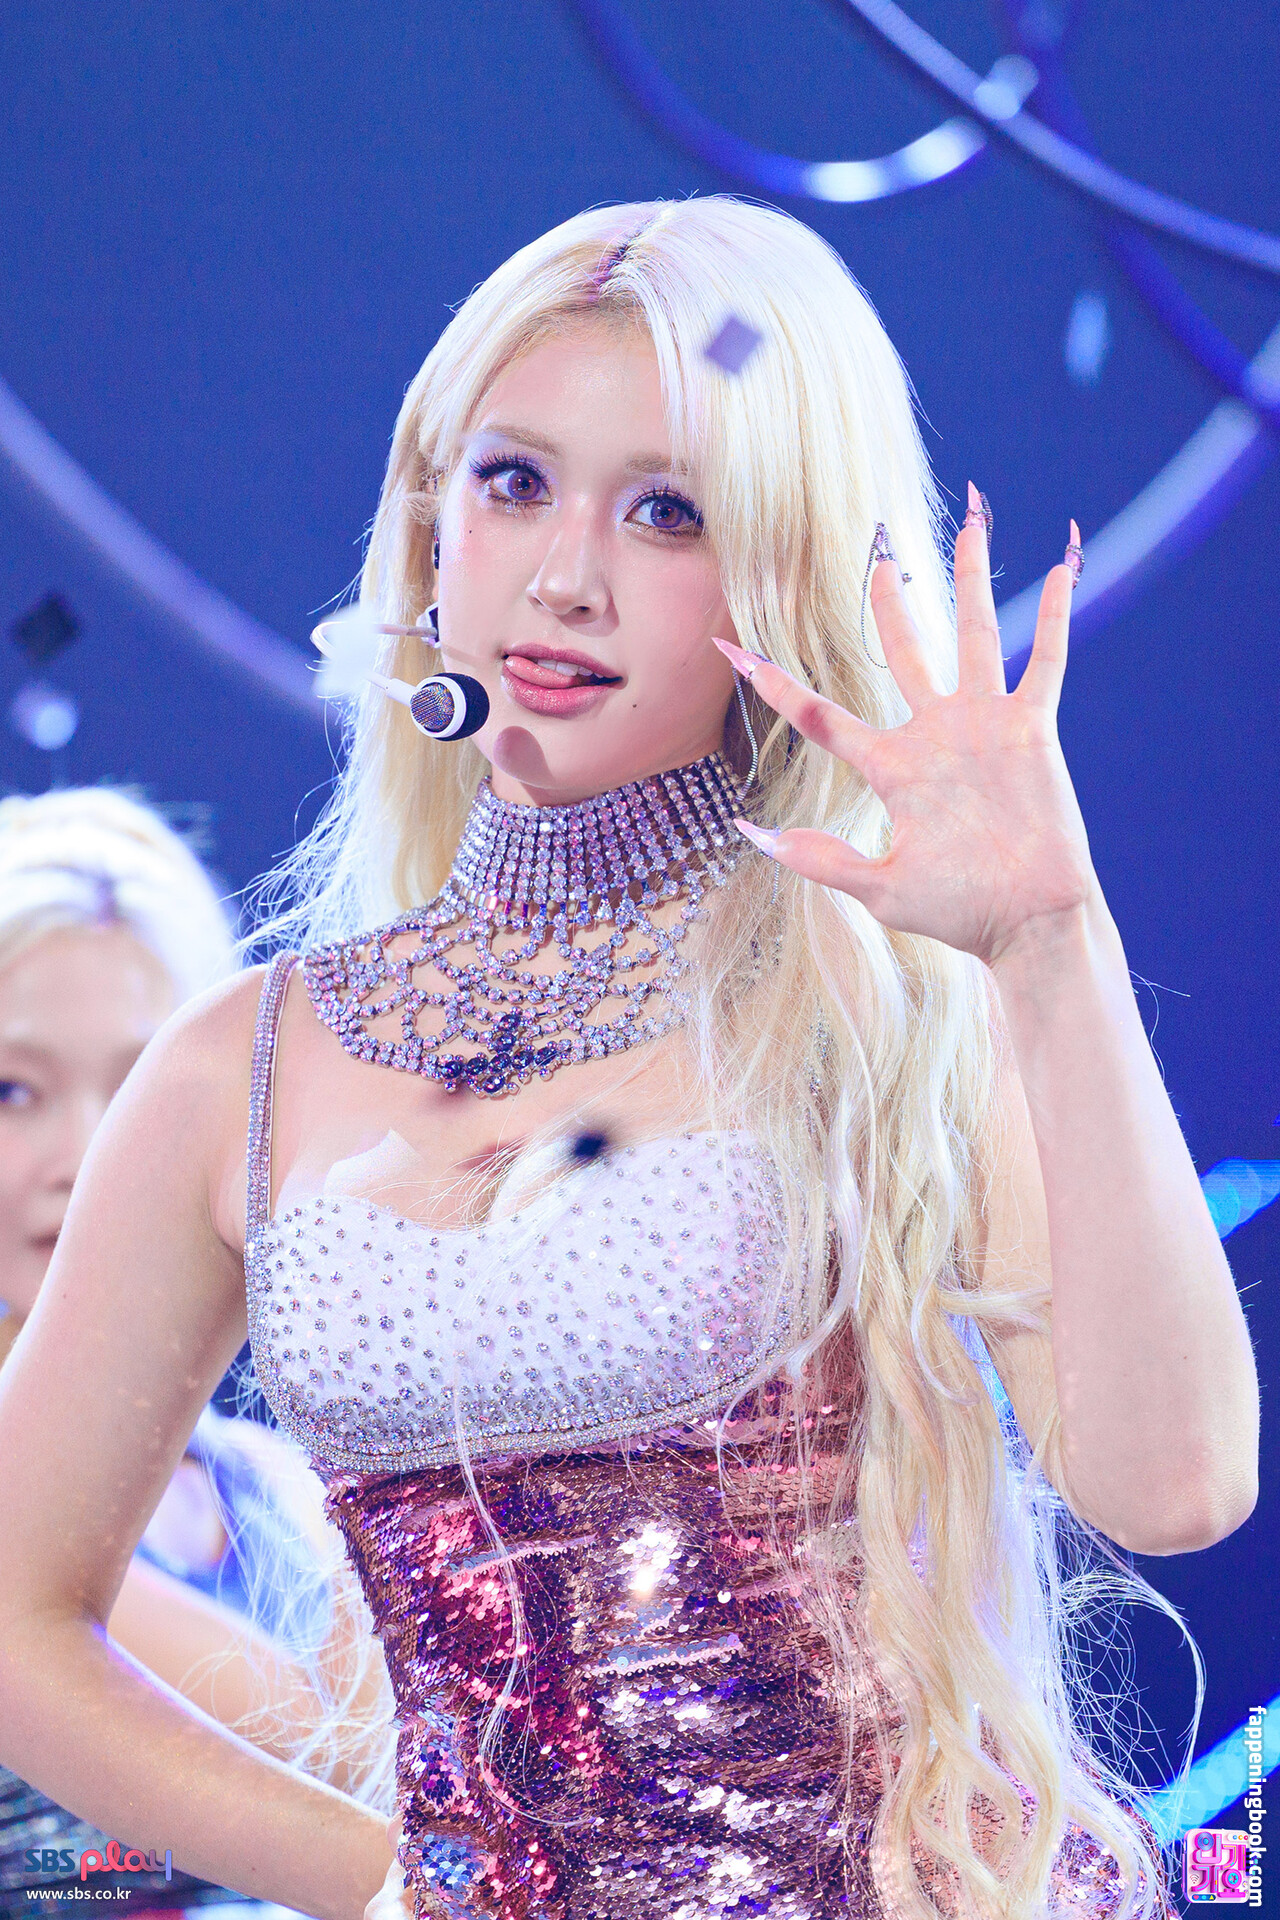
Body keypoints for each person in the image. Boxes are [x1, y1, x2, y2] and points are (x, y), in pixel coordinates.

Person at [0, 199, 1258, 1920]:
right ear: (430, 524)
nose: (565, 574)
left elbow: (1178, 1486)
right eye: (514, 482)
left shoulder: (880, 997)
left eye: (668, 510)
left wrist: (1056, 947)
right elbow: (18, 1616)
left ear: (779, 571)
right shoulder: (245, 1063)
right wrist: (392, 1885)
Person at [0, 789, 392, 1914]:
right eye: (14, 1091)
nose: (86, 1154)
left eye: (136, 1093)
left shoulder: (277, 1490)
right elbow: (369, 1768)